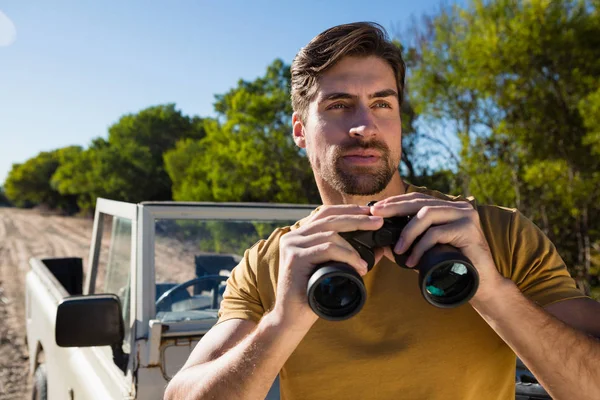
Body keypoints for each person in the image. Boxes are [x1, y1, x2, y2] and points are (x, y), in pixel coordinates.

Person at [164, 22, 600, 400]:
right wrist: (281, 324)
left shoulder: (494, 234)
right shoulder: (272, 263)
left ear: (399, 123)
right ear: (300, 130)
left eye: (381, 104)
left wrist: (494, 293)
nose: (364, 125)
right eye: (338, 105)